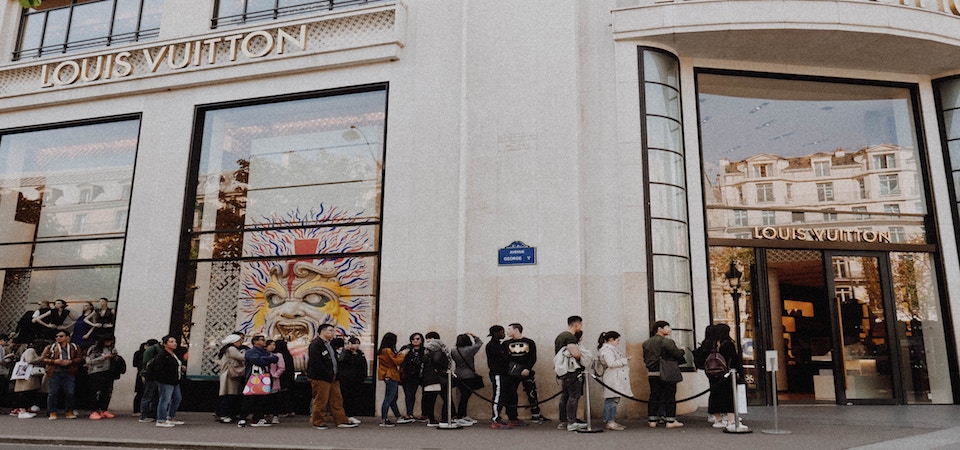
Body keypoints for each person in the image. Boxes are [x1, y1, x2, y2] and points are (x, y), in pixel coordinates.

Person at [307, 323, 358, 429]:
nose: (333, 333)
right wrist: (327, 373)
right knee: (321, 400)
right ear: (323, 331)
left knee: (337, 400)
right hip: (321, 377)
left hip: (333, 377)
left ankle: (341, 420)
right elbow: (316, 363)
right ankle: (318, 421)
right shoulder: (316, 344)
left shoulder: (329, 344)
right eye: (330, 330)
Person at [642, 320, 686, 428]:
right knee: (669, 396)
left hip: (652, 373)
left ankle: (652, 420)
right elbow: (677, 354)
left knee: (654, 395)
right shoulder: (667, 341)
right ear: (659, 329)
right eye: (667, 327)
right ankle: (670, 420)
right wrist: (682, 350)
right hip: (666, 372)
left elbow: (645, 358)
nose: (670, 329)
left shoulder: (646, 343)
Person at [704, 323, 747, 431]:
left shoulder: (710, 344)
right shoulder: (728, 344)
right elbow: (735, 360)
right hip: (727, 374)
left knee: (715, 395)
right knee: (729, 396)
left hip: (713, 374)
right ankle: (731, 420)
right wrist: (740, 373)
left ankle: (718, 419)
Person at [504, 322, 548, 423]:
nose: (507, 331)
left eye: (509, 329)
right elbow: (505, 358)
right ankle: (512, 416)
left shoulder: (529, 342)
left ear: (516, 330)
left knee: (531, 392)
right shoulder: (506, 344)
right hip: (512, 373)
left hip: (526, 371)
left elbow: (533, 357)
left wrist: (527, 368)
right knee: (511, 394)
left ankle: (535, 414)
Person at [39, 330, 83, 420]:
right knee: (53, 392)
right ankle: (52, 411)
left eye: (61, 336)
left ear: (67, 337)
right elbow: (43, 358)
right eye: (57, 336)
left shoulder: (74, 347)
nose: (58, 338)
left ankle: (69, 411)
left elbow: (80, 358)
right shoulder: (51, 347)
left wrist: (71, 361)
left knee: (70, 392)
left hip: (69, 371)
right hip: (55, 371)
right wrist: (54, 361)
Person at [237, 335, 278, 427]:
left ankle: (258, 418)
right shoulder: (250, 352)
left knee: (262, 399)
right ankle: (243, 418)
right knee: (249, 399)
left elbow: (275, 359)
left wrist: (265, 359)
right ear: (255, 342)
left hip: (264, 378)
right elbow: (257, 361)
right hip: (252, 378)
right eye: (262, 340)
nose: (264, 341)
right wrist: (267, 359)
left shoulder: (265, 352)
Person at [555, 315, 586, 431]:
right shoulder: (570, 337)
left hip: (562, 370)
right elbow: (576, 354)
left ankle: (564, 421)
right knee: (574, 396)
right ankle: (572, 422)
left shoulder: (560, 336)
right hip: (571, 370)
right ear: (576, 324)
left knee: (565, 396)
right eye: (580, 325)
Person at [597, 331, 631, 431]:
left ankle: (611, 420)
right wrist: (624, 360)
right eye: (617, 340)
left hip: (614, 376)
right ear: (611, 339)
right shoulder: (607, 350)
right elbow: (611, 363)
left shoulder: (609, 349)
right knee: (611, 399)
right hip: (612, 377)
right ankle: (609, 421)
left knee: (614, 399)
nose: (618, 342)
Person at [377, 332, 411, 427]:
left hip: (389, 375)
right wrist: (403, 354)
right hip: (391, 375)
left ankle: (398, 416)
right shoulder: (387, 350)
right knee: (389, 398)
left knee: (392, 398)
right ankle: (384, 419)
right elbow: (397, 361)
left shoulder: (383, 350)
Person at [486, 325, 517, 429]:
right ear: (496, 333)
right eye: (502, 332)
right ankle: (495, 419)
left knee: (505, 396)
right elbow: (504, 358)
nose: (504, 334)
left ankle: (506, 417)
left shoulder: (500, 345)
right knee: (498, 396)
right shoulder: (491, 346)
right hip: (497, 374)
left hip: (504, 374)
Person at [153, 335, 185, 428]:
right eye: (171, 342)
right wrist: (165, 377)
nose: (174, 343)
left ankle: (170, 417)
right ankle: (161, 420)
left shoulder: (174, 354)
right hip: (166, 381)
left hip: (175, 380)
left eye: (175, 341)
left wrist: (181, 368)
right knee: (165, 399)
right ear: (165, 344)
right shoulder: (162, 355)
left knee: (177, 398)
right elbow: (159, 369)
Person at [450, 333, 482, 426]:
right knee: (465, 397)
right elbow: (479, 343)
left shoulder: (453, 351)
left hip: (458, 375)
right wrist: (474, 336)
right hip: (469, 375)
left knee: (463, 396)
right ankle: (461, 416)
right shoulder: (470, 350)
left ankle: (463, 415)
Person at [420, 332, 451, 426]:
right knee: (446, 399)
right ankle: (444, 418)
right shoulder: (439, 353)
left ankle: (431, 419)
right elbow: (442, 364)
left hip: (428, 379)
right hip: (439, 379)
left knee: (431, 400)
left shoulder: (426, 354)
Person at [84, 335, 119, 420]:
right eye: (107, 341)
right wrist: (104, 357)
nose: (109, 343)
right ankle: (93, 411)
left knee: (107, 392)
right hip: (96, 372)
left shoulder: (111, 349)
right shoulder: (94, 349)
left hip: (109, 372)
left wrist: (115, 357)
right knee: (95, 392)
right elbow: (89, 361)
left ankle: (104, 409)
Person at [13, 339, 47, 418]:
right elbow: (29, 360)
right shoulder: (30, 351)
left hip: (31, 374)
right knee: (25, 392)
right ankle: (22, 411)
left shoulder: (33, 351)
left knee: (30, 392)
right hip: (26, 374)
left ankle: (26, 409)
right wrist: (41, 358)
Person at [216, 334, 245, 423]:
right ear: (234, 342)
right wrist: (245, 352)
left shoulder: (227, 349)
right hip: (230, 375)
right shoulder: (232, 349)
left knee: (229, 395)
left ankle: (227, 414)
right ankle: (224, 415)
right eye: (239, 341)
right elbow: (242, 358)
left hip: (229, 374)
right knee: (229, 395)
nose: (241, 342)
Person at [338, 336, 367, 420]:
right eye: (354, 344)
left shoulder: (360, 354)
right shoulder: (345, 353)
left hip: (357, 379)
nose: (356, 346)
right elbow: (342, 362)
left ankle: (351, 414)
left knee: (354, 397)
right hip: (346, 379)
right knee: (346, 397)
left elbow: (363, 365)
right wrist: (347, 350)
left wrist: (363, 376)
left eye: (358, 344)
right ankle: (346, 415)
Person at [399, 332, 425, 422]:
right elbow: (399, 359)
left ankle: (411, 413)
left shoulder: (424, 350)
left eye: (418, 339)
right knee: (408, 394)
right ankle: (409, 413)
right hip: (406, 375)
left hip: (418, 376)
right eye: (413, 339)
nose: (415, 341)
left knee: (413, 394)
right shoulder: (406, 348)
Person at [272, 339, 296, 418]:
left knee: (280, 395)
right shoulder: (288, 354)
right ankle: (290, 410)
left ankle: (282, 410)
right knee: (288, 394)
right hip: (288, 377)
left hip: (280, 378)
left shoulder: (277, 355)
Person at [137, 339, 160, 422]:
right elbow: (145, 364)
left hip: (155, 376)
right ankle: (144, 415)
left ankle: (152, 414)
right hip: (151, 376)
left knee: (154, 396)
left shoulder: (155, 350)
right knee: (148, 395)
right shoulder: (151, 350)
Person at [264, 339, 286, 424]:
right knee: (264, 398)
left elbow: (281, 367)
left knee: (274, 398)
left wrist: (275, 375)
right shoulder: (263, 354)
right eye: (270, 345)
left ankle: (275, 415)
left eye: (274, 345)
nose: (272, 347)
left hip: (273, 379)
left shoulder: (278, 355)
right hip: (263, 378)